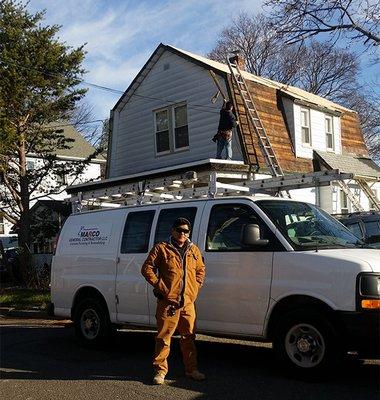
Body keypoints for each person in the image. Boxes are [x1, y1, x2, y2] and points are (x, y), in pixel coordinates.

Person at [141, 217, 206, 385]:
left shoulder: (194, 250)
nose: (182, 233)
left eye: (185, 231)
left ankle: (191, 370)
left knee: (189, 337)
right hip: (167, 302)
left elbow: (200, 270)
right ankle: (160, 371)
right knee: (163, 338)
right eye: (179, 230)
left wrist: (195, 289)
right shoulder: (162, 248)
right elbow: (147, 268)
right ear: (173, 230)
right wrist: (159, 285)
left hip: (187, 303)